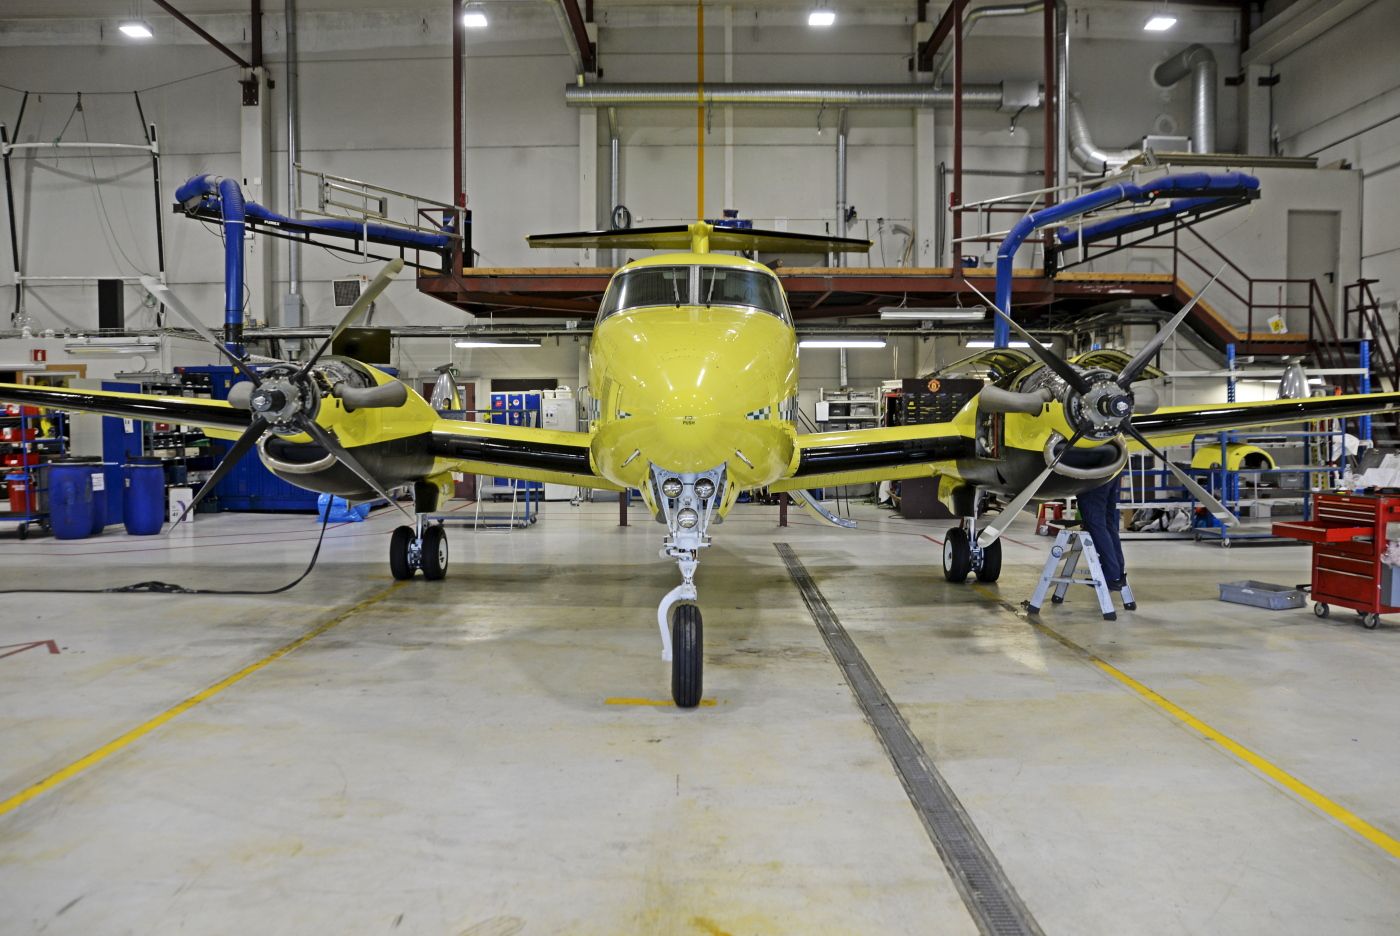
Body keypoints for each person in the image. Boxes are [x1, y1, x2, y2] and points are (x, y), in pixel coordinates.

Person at [1077, 473, 1127, 591]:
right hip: (1113, 471)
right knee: (1107, 522)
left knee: (1095, 521)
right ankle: (1117, 574)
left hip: (1095, 473)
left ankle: (1111, 575)